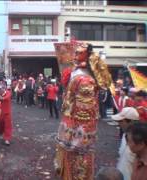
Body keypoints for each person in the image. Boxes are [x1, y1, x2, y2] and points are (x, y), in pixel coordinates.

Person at [54, 43, 112, 179]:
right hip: (69, 124)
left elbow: (85, 111)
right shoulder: (75, 72)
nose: (75, 55)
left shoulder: (85, 79)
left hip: (79, 130)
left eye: (79, 53)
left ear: (87, 55)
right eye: (75, 52)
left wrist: (77, 136)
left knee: (79, 162)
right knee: (70, 160)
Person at [111, 107, 139, 180]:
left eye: (121, 121)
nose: (119, 124)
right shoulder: (125, 135)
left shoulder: (141, 142)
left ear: (131, 122)